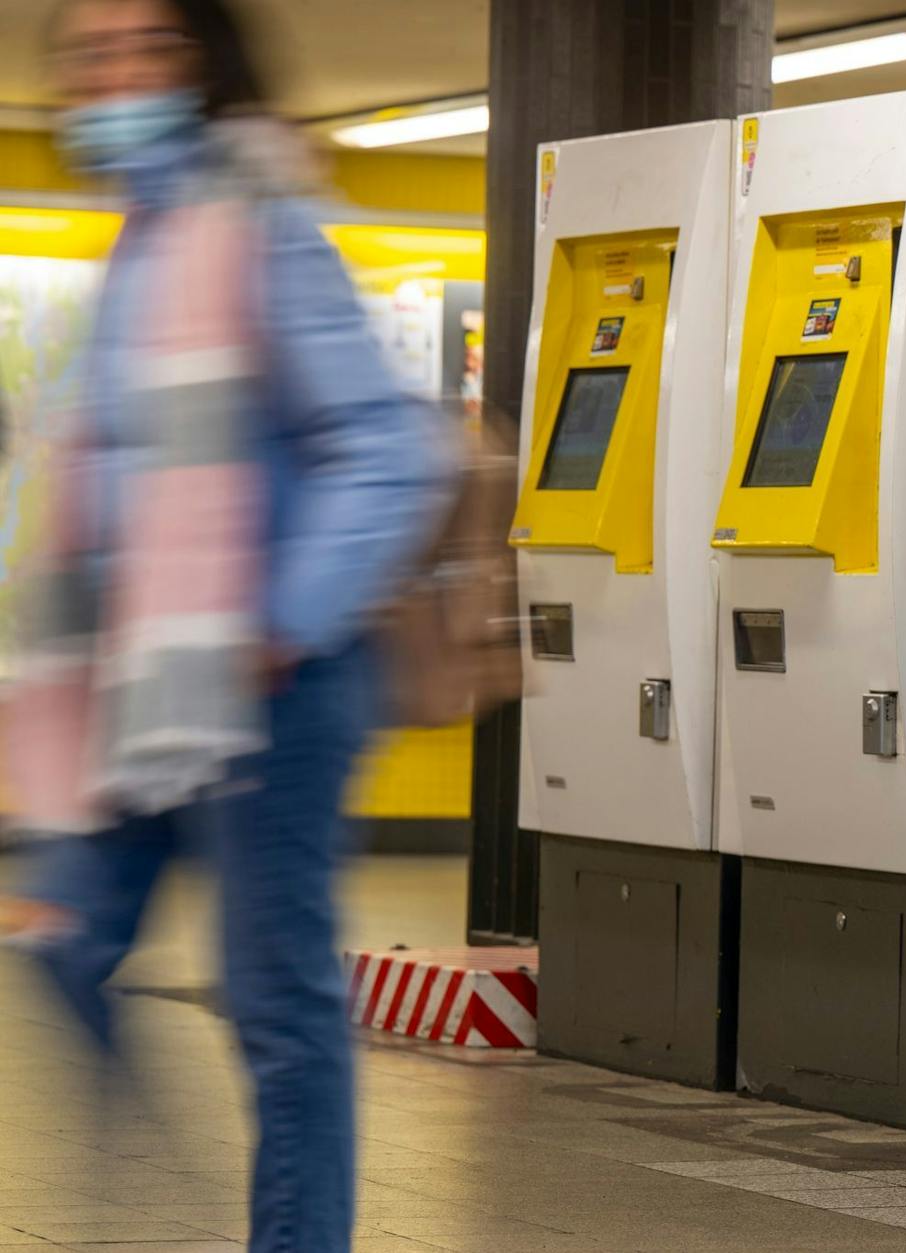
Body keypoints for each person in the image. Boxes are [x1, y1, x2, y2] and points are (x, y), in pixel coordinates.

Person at [7, 2, 451, 1250]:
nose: (113, 75)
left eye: (143, 48)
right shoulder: (143, 239)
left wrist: (281, 616)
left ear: (203, 65)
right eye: (89, 57)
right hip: (145, 687)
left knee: (277, 1002)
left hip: (273, 683)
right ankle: (166, 1201)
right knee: (63, 937)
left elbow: (386, 449)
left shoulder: (262, 225)